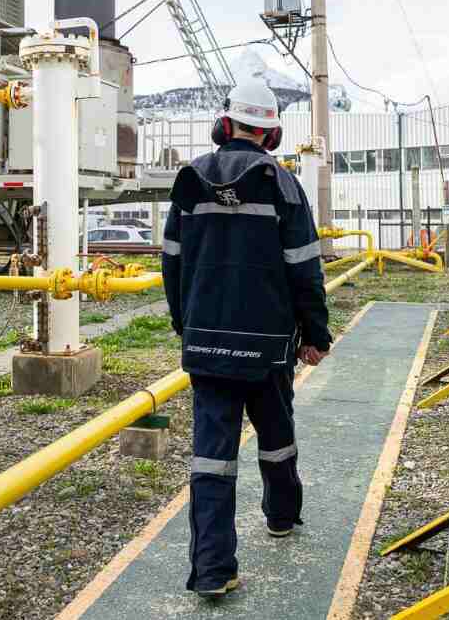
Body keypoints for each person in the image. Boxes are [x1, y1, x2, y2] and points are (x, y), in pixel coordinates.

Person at [160, 80, 331, 598]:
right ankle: (282, 515)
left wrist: (183, 324)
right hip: (268, 346)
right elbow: (305, 267)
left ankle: (213, 570)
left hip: (207, 344)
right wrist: (315, 333)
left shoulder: (189, 180)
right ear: (272, 133)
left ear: (225, 123)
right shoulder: (281, 183)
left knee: (211, 458)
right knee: (277, 437)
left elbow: (172, 260)